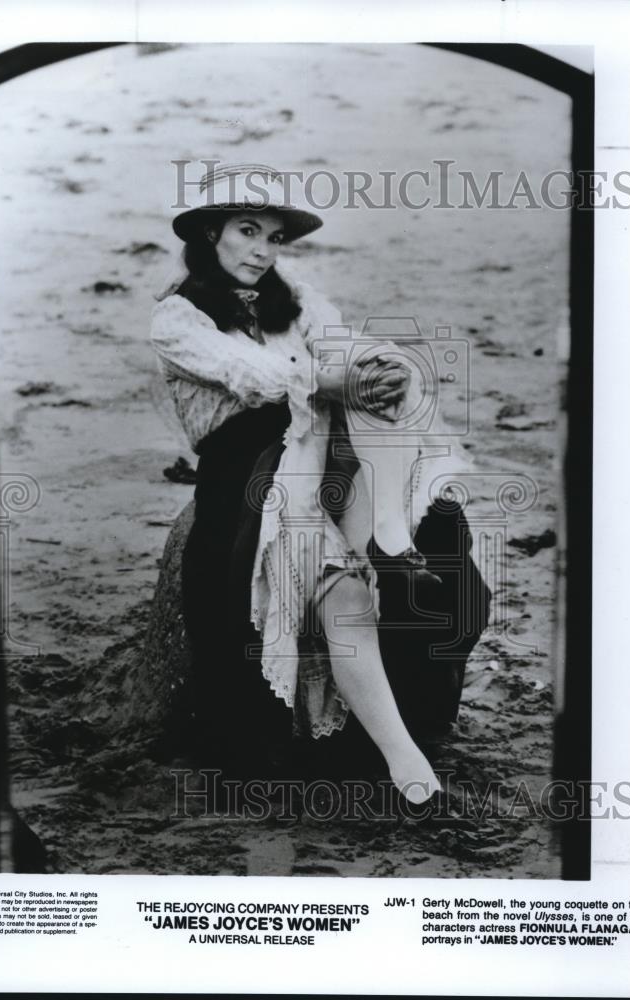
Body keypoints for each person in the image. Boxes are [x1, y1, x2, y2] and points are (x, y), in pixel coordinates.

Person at [150, 163, 490, 807]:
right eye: (247, 231)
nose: (261, 250)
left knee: (386, 371)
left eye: (273, 238)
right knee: (339, 588)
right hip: (246, 466)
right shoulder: (177, 318)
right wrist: (324, 382)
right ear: (210, 235)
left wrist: (371, 370)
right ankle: (408, 770)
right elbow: (249, 375)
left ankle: (389, 537)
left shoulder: (293, 296)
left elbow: (340, 345)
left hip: (324, 447)